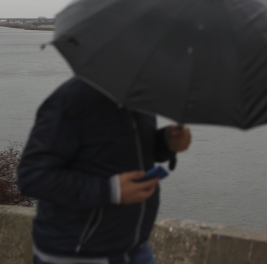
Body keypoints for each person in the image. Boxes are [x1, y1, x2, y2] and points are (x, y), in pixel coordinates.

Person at [17, 77, 192, 264]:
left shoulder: (139, 98)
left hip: (133, 249)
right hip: (77, 255)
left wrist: (166, 141)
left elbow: (125, 151)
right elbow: (33, 176)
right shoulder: (72, 99)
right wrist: (110, 190)